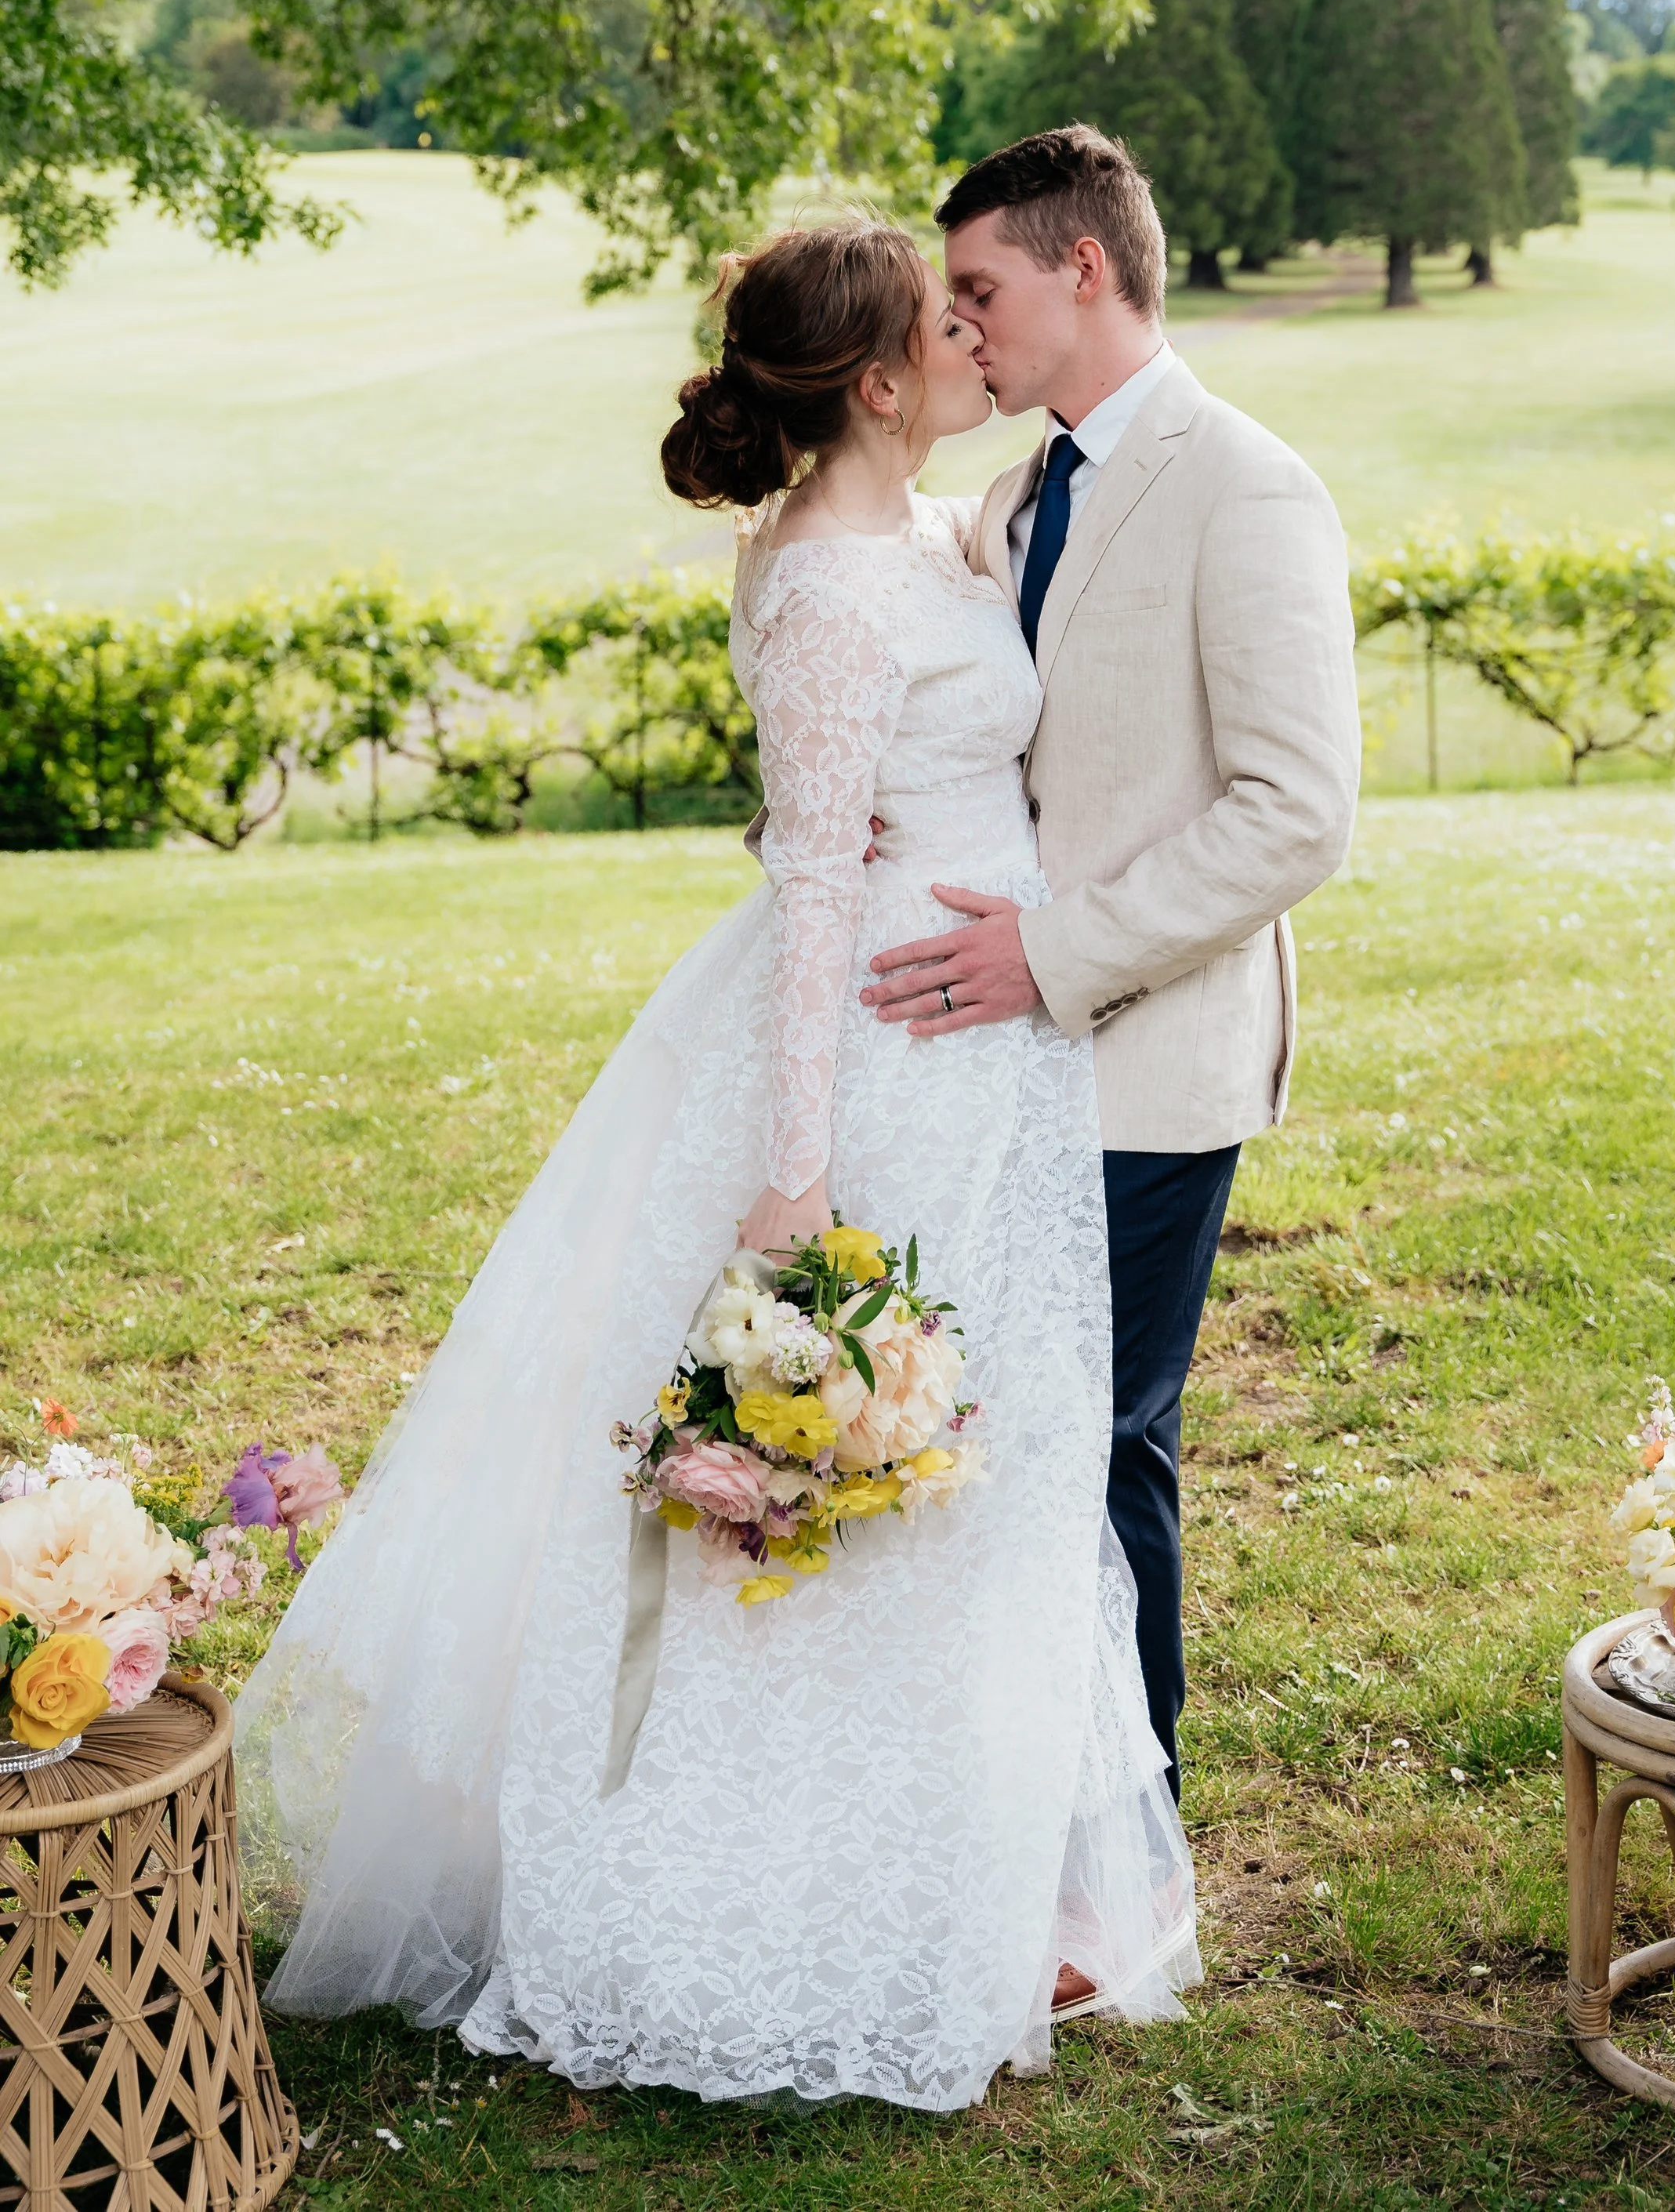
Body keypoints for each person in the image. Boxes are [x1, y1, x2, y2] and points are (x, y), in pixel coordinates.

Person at [234, 221, 1196, 2112]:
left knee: (970, 1486)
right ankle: (749, 1902)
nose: (967, 341)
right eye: (943, 323)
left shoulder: (914, 538)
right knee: (863, 1472)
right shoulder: (832, 587)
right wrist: (791, 1180)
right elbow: (812, 874)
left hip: (992, 1048)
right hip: (885, 1058)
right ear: (871, 380)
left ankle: (942, 1870)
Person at [860, 126, 1361, 1795]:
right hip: (991, 1063)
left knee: (1101, 1443)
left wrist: (1055, 958)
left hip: (1150, 1056)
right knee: (997, 1436)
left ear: (1085, 269)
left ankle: (1121, 1840)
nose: (962, 325)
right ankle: (1006, 1801)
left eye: (982, 289)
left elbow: (1295, 813)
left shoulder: (1249, 486)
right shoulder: (1012, 500)